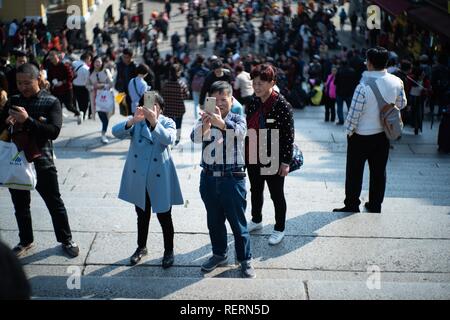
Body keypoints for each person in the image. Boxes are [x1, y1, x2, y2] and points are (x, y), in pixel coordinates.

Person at [0, 63, 80, 257]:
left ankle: (66, 239)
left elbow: (54, 132)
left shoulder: (51, 101)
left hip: (42, 161)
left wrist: (27, 120)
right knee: (20, 205)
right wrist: (6, 123)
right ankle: (25, 240)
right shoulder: (13, 101)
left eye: (27, 82)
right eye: (19, 83)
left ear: (37, 80)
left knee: (54, 202)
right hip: (17, 162)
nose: (23, 87)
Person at [190, 81, 255, 279]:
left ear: (231, 98)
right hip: (209, 179)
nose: (219, 103)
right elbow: (194, 138)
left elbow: (241, 133)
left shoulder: (238, 117)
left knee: (238, 223)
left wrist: (221, 123)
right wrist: (205, 125)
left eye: (223, 99)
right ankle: (219, 254)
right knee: (214, 221)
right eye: (215, 99)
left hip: (232, 179)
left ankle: (245, 259)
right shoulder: (204, 118)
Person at [333, 47, 407, 213]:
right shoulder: (397, 81)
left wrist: (349, 131)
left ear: (370, 63)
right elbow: (402, 104)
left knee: (354, 172)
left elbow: (353, 114)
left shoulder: (363, 86)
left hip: (360, 136)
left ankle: (352, 204)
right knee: (379, 172)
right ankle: (375, 204)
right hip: (382, 135)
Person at [245, 64, 294, 245]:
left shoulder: (282, 105)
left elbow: (288, 135)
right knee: (255, 190)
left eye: (261, 83)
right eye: (254, 83)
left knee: (276, 194)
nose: (256, 87)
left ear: (272, 82)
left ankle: (279, 228)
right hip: (252, 151)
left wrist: (285, 162)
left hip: (273, 152)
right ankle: (256, 219)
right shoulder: (253, 101)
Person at [46, 49, 81, 124]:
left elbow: (70, 77)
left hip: (67, 89)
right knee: (57, 106)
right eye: (50, 57)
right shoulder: (50, 66)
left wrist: (62, 82)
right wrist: (52, 82)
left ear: (57, 56)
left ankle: (78, 113)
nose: (52, 58)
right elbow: (49, 78)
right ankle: (58, 122)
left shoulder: (64, 65)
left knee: (69, 106)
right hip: (56, 90)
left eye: (53, 56)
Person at [87, 56, 114, 144]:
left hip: (106, 97)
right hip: (96, 99)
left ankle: (104, 130)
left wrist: (103, 86)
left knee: (107, 116)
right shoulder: (90, 72)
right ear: (93, 63)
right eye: (96, 62)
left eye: (99, 62)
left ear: (102, 63)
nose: (97, 63)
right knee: (103, 118)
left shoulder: (106, 71)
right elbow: (87, 84)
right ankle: (103, 134)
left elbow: (111, 83)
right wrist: (93, 87)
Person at [160, 64, 189, 145]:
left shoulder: (166, 84)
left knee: (169, 124)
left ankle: (169, 137)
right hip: (179, 108)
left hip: (168, 108)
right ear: (178, 72)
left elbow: (162, 95)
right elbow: (186, 96)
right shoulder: (181, 84)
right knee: (178, 124)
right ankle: (177, 139)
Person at [115, 48, 138, 115]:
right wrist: (118, 87)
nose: (125, 59)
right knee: (123, 112)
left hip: (132, 92)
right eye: (123, 57)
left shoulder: (135, 66)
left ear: (131, 57)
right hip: (121, 91)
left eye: (127, 57)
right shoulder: (119, 65)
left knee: (133, 112)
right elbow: (118, 77)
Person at [72, 52, 92, 120]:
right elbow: (87, 80)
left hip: (74, 86)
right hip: (83, 87)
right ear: (86, 59)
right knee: (85, 102)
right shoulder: (86, 68)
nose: (90, 61)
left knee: (79, 101)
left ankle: (81, 112)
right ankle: (83, 114)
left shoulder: (74, 63)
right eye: (89, 59)